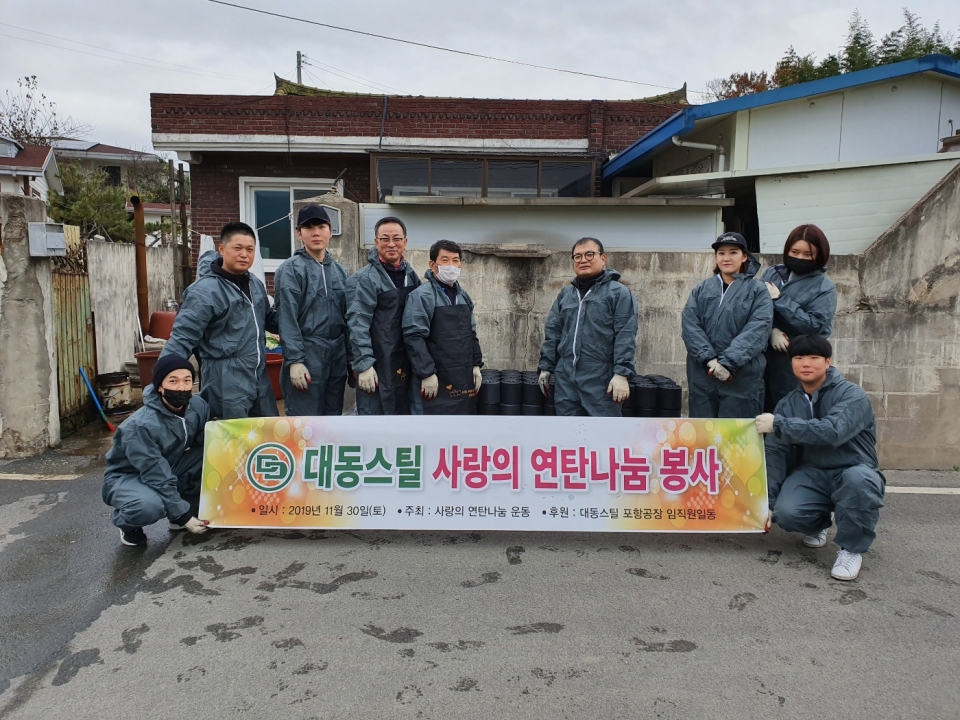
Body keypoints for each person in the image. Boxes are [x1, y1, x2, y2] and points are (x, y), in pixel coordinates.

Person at [757, 335, 885, 581]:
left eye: (814, 358)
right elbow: (777, 452)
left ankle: (851, 549)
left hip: (854, 467)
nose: (806, 363)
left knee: (859, 482)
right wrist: (769, 502)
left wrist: (780, 424)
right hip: (813, 471)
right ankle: (817, 525)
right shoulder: (788, 403)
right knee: (786, 513)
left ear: (828, 362)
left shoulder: (852, 395)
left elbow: (833, 430)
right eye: (798, 357)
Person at [161, 222, 279, 419]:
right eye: (237, 248)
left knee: (268, 437)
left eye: (250, 249)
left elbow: (268, 319)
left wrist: (302, 319)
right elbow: (182, 340)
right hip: (225, 382)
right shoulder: (205, 291)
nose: (244, 254)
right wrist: (162, 380)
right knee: (232, 440)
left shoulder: (255, 285)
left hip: (259, 377)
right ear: (222, 249)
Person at [102, 355, 209, 546]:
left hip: (169, 465)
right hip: (129, 475)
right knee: (150, 506)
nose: (181, 388)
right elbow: (154, 471)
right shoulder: (139, 425)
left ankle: (178, 514)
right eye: (173, 381)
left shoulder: (197, 406)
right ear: (160, 386)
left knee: (211, 455)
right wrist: (183, 516)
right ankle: (127, 523)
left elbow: (203, 437)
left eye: (187, 381)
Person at [538, 237, 637, 417]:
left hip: (601, 379)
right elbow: (554, 331)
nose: (583, 260)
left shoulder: (618, 293)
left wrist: (622, 373)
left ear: (603, 258)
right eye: (577, 257)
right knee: (569, 435)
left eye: (589, 254)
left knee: (602, 436)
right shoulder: (566, 295)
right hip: (566, 378)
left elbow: (626, 334)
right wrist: (546, 366)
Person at [681, 231, 773, 418]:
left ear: (744, 256)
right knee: (704, 437)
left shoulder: (757, 291)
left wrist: (728, 362)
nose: (727, 258)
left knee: (736, 439)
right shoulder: (702, 289)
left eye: (733, 252)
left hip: (742, 377)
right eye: (721, 253)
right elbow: (690, 325)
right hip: (703, 374)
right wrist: (709, 359)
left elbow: (758, 328)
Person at [274, 205, 350, 416]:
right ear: (299, 233)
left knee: (333, 421)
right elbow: (287, 319)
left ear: (330, 231)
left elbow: (348, 319)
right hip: (308, 355)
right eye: (308, 228)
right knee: (304, 426)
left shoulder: (340, 272)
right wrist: (295, 361)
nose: (315, 233)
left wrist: (351, 359)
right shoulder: (291, 269)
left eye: (321, 226)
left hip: (336, 356)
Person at [347, 216, 421, 415]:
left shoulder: (411, 276)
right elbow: (357, 323)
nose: (391, 244)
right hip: (377, 363)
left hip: (404, 361)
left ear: (405, 242)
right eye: (385, 239)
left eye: (397, 239)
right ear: (376, 242)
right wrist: (364, 365)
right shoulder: (364, 279)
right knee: (375, 418)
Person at [760, 224, 837, 411]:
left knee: (789, 410)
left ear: (819, 255)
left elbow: (813, 325)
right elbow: (755, 308)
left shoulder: (824, 287)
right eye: (795, 252)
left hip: (794, 359)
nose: (800, 258)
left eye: (807, 254)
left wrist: (780, 299)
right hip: (762, 355)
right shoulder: (773, 273)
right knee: (759, 411)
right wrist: (772, 330)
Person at [402, 239, 482, 414]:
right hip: (434, 378)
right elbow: (414, 337)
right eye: (445, 260)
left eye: (455, 260)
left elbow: (471, 333)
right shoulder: (422, 296)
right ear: (433, 264)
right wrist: (427, 373)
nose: (451, 266)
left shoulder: (464, 297)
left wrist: (476, 365)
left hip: (461, 377)